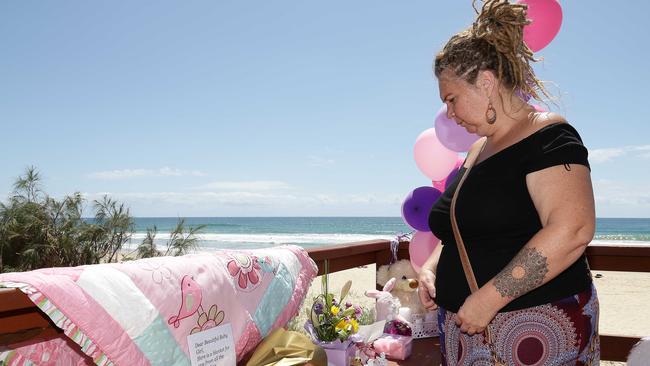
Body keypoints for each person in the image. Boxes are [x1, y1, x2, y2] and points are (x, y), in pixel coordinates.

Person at [417, 0, 599, 364]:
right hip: (469, 330)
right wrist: (432, 266)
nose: (449, 115)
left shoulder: (547, 135)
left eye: (452, 100)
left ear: (486, 83)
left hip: (534, 327)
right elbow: (461, 226)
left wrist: (488, 300)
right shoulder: (476, 151)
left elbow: (573, 228)